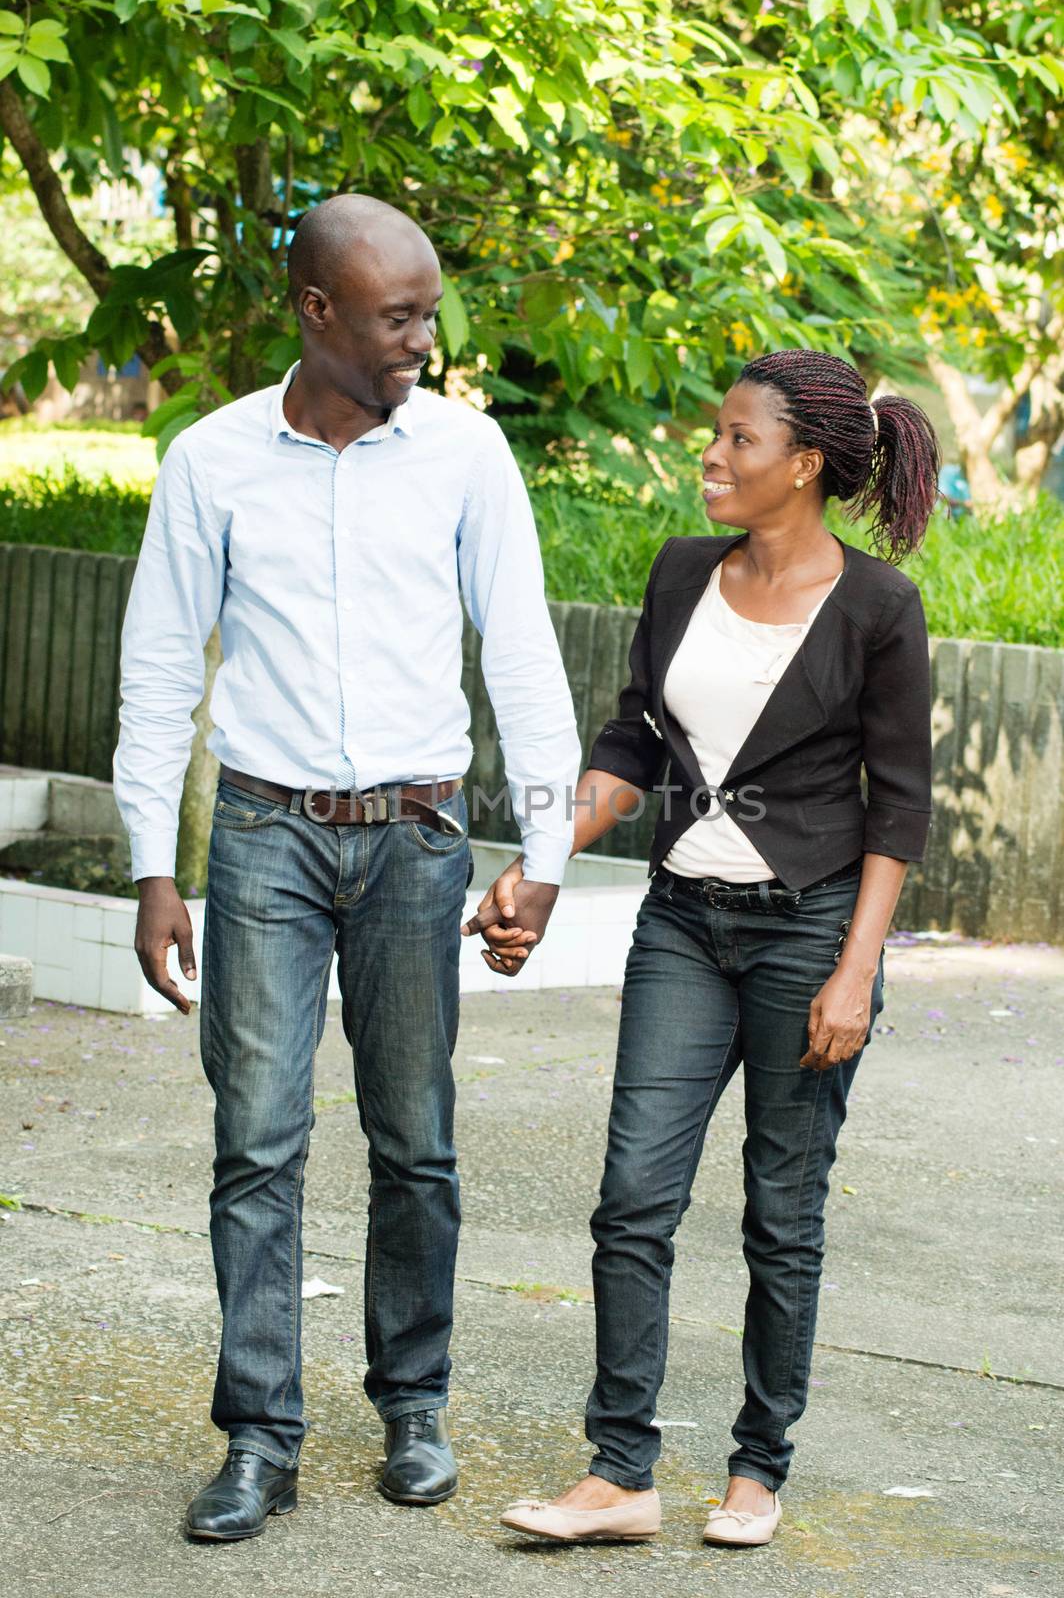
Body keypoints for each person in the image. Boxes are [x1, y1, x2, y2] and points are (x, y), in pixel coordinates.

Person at [113, 195, 580, 1542]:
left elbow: (524, 660)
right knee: (255, 1145)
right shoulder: (210, 461)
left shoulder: (466, 456)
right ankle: (259, 1438)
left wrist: (542, 855)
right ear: (317, 313)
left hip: (418, 841)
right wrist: (157, 867)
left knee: (415, 1143)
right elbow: (159, 672)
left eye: (428, 311)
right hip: (264, 838)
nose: (422, 340)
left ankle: (415, 1407)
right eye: (398, 316)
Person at [466, 350, 938, 1548]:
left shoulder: (877, 606)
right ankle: (620, 1472)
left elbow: (897, 806)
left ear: (805, 465)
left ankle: (755, 1469)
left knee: (781, 1211)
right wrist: (543, 860)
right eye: (714, 437)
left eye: (737, 441)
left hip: (810, 931)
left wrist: (854, 970)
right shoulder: (682, 572)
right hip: (681, 921)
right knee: (631, 1201)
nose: (711, 458)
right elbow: (630, 742)